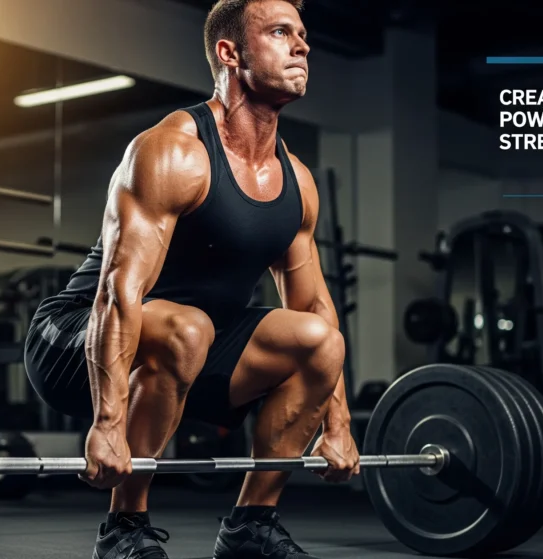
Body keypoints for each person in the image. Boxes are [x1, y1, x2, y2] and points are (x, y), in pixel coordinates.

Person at [24, 1, 359, 557]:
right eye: (280, 32)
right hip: (77, 339)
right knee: (188, 328)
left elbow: (315, 306)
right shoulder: (174, 151)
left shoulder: (296, 181)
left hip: (190, 348)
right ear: (230, 53)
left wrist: (339, 424)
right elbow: (118, 291)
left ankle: (251, 525)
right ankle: (123, 530)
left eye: (302, 34)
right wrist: (108, 422)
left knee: (321, 342)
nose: (302, 45)